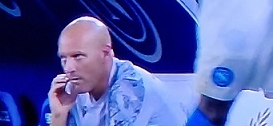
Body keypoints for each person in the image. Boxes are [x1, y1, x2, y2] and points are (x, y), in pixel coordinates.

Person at [47, 16, 185, 126]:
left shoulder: (131, 88)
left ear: (106, 53)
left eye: (78, 56)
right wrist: (59, 115)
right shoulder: (72, 90)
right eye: (64, 58)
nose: (69, 68)